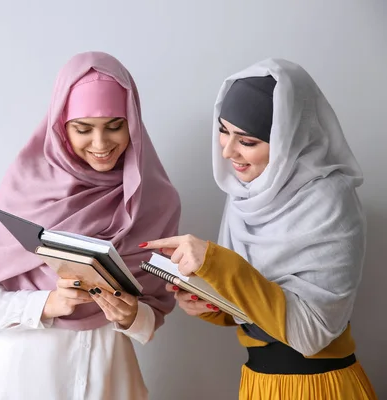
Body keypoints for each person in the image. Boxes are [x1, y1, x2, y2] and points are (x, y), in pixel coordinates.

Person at [142, 58, 377, 399]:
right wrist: (213, 302)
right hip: (258, 383)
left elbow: (311, 333)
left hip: (318, 386)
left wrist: (215, 262)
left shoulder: (330, 199)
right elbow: (260, 302)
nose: (227, 151)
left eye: (247, 141)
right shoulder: (247, 195)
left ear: (288, 139)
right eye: (223, 130)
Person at [0, 51, 181, 400]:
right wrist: (46, 304)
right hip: (26, 382)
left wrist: (132, 315)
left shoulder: (156, 202)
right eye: (83, 128)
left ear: (132, 122)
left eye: (114, 126)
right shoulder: (26, 191)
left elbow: (152, 320)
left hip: (110, 379)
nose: (101, 144)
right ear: (61, 127)